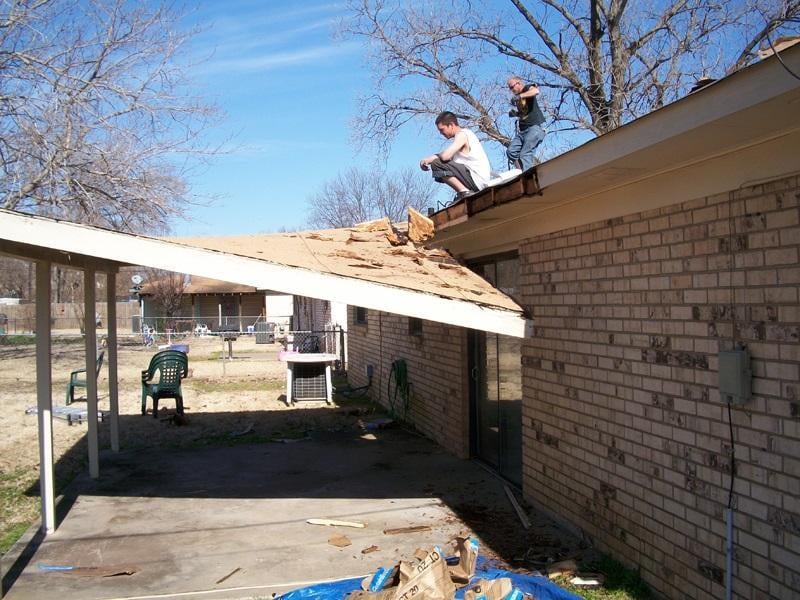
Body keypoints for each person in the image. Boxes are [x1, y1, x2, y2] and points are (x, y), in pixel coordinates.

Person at [419, 111, 491, 202]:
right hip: (476, 180)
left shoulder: (463, 134)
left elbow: (445, 157)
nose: (441, 133)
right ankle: (464, 192)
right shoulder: (460, 140)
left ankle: (465, 192)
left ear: (451, 125)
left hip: (478, 180)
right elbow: (445, 156)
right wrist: (427, 159)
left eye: (442, 130)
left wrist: (433, 159)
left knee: (436, 164)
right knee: (439, 166)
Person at [506, 76, 546, 170]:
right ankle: (521, 172)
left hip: (534, 128)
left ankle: (527, 177)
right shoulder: (518, 99)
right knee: (511, 152)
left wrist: (520, 96)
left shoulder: (527, 89)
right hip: (523, 131)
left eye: (512, 87)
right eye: (510, 88)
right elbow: (524, 114)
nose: (511, 90)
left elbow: (535, 91)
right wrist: (515, 113)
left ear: (519, 83)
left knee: (525, 154)